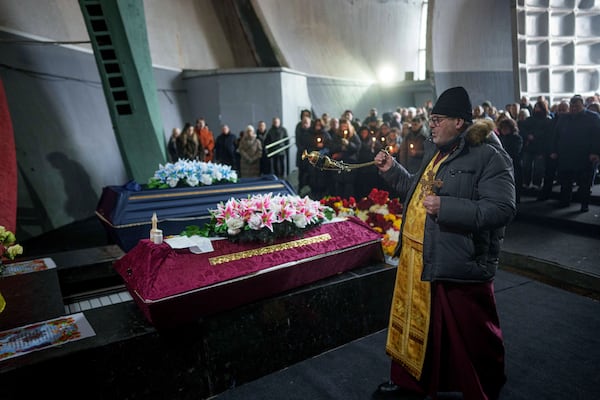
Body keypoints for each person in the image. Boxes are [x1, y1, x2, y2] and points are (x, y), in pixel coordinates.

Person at [372, 86, 516, 400]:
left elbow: (503, 208)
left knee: (469, 337)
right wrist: (393, 171)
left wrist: (447, 208)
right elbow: (418, 190)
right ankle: (412, 382)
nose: (431, 125)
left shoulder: (489, 155)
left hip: (457, 260)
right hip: (420, 259)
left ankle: (484, 384)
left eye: (437, 119)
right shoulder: (440, 151)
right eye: (431, 119)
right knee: (422, 329)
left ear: (459, 122)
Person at [550, 94, 600, 212]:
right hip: (566, 154)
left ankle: (584, 204)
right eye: (572, 106)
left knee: (584, 183)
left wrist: (595, 152)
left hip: (585, 155)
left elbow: (597, 137)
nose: (574, 108)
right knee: (565, 181)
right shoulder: (564, 117)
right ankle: (564, 201)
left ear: (583, 105)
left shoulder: (593, 117)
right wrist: (554, 150)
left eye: (576, 106)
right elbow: (556, 135)